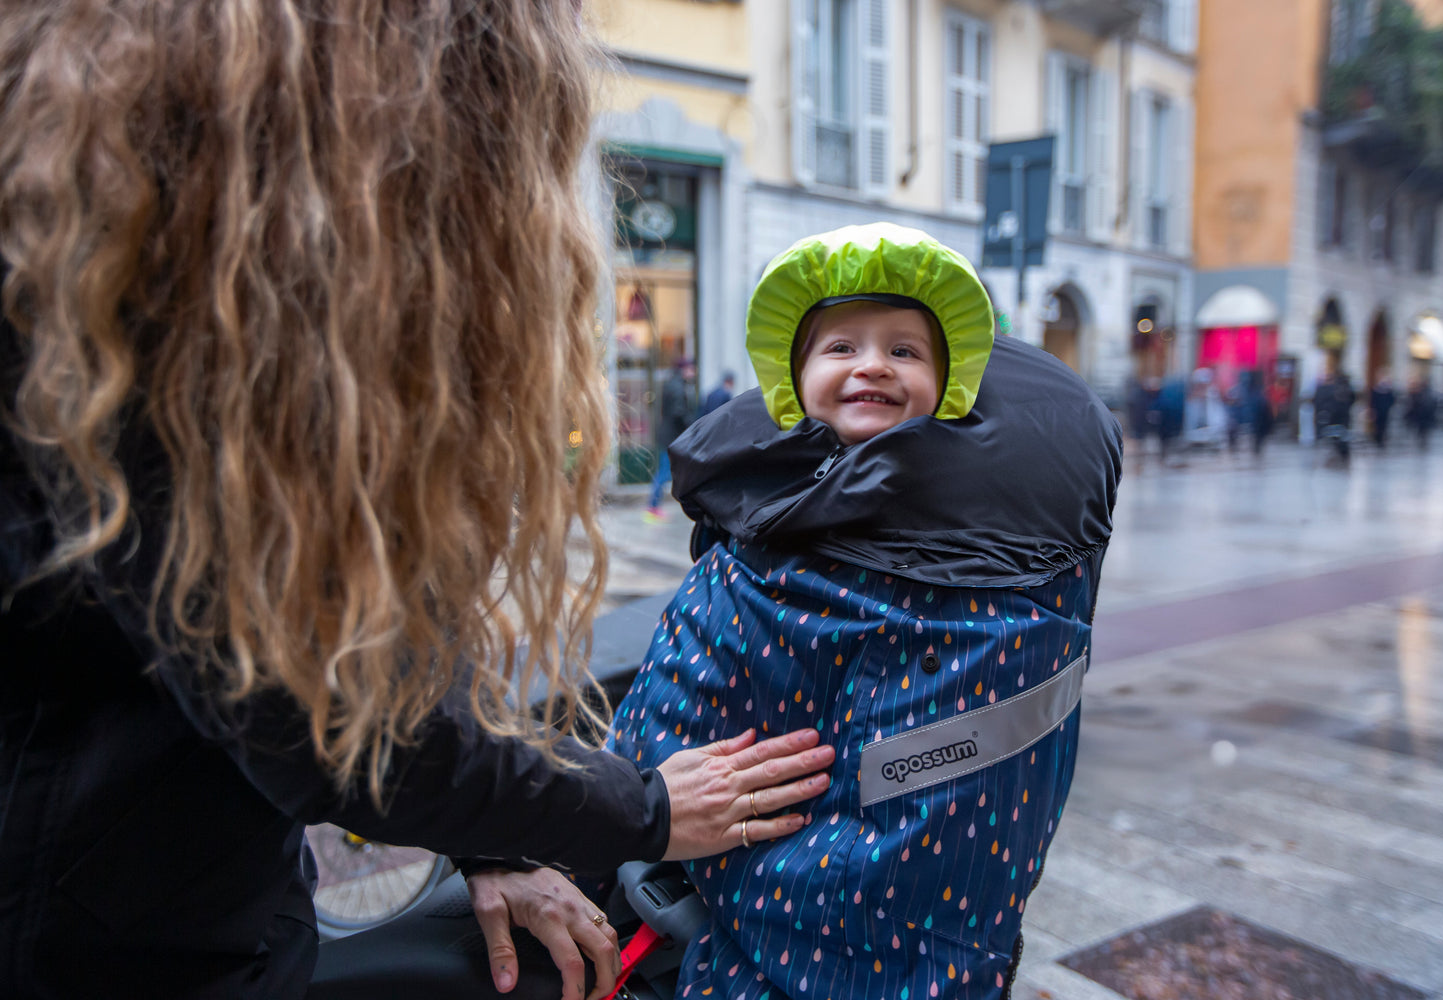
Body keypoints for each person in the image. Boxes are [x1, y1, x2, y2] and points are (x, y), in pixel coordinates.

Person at [0, 5, 834, 999]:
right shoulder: (157, 323)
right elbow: (333, 716)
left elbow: (343, 630)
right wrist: (647, 810)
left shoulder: (164, 276)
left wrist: (493, 839)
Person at [605, 224, 1122, 1000]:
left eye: (905, 351)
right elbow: (673, 708)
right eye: (841, 347)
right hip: (763, 929)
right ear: (793, 376)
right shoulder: (757, 544)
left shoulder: (1017, 532)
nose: (873, 364)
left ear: (952, 381)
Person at [645, 357, 697, 520]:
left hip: (671, 436)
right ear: (685, 369)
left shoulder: (673, 383)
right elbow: (678, 413)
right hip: (672, 437)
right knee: (665, 472)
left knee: (668, 471)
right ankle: (653, 506)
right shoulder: (677, 387)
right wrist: (693, 426)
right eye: (691, 369)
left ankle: (654, 506)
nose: (693, 373)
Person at [1369, 369, 1397, 449]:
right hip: (1377, 411)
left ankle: (1381, 440)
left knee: (1384, 426)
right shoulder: (1376, 389)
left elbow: (1392, 400)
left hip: (1385, 411)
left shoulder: (1388, 390)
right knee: (1377, 425)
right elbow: (1373, 400)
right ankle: (1377, 439)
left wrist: (1388, 406)